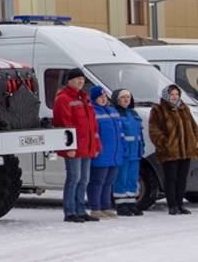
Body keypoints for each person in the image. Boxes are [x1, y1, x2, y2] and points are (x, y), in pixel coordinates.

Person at [52, 68, 101, 222]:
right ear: (69, 81)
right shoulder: (63, 98)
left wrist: (96, 145)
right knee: (74, 178)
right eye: (77, 78)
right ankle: (70, 211)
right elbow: (65, 124)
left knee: (84, 179)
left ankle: (80, 210)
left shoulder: (84, 97)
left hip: (86, 146)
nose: (81, 81)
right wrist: (69, 146)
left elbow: (92, 125)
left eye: (82, 78)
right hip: (75, 146)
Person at [148, 84, 198, 215]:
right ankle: (172, 205)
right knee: (171, 178)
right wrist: (165, 143)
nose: (174, 97)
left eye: (176, 94)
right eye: (172, 94)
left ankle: (180, 204)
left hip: (186, 150)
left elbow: (193, 126)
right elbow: (154, 131)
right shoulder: (158, 110)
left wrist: (194, 140)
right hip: (169, 151)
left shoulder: (184, 108)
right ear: (166, 95)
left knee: (182, 178)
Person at [86, 85, 123, 220]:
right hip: (101, 153)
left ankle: (106, 206)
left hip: (115, 154)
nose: (102, 99)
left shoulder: (112, 110)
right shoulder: (93, 111)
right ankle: (95, 208)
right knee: (97, 181)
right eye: (100, 97)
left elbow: (120, 132)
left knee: (109, 182)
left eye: (104, 96)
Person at [111, 89, 145, 216]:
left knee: (133, 178)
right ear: (117, 99)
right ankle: (121, 204)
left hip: (135, 152)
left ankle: (131, 203)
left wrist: (142, 146)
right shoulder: (116, 114)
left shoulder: (133, 114)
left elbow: (139, 133)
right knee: (121, 178)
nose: (126, 100)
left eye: (128, 97)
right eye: (123, 97)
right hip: (123, 152)